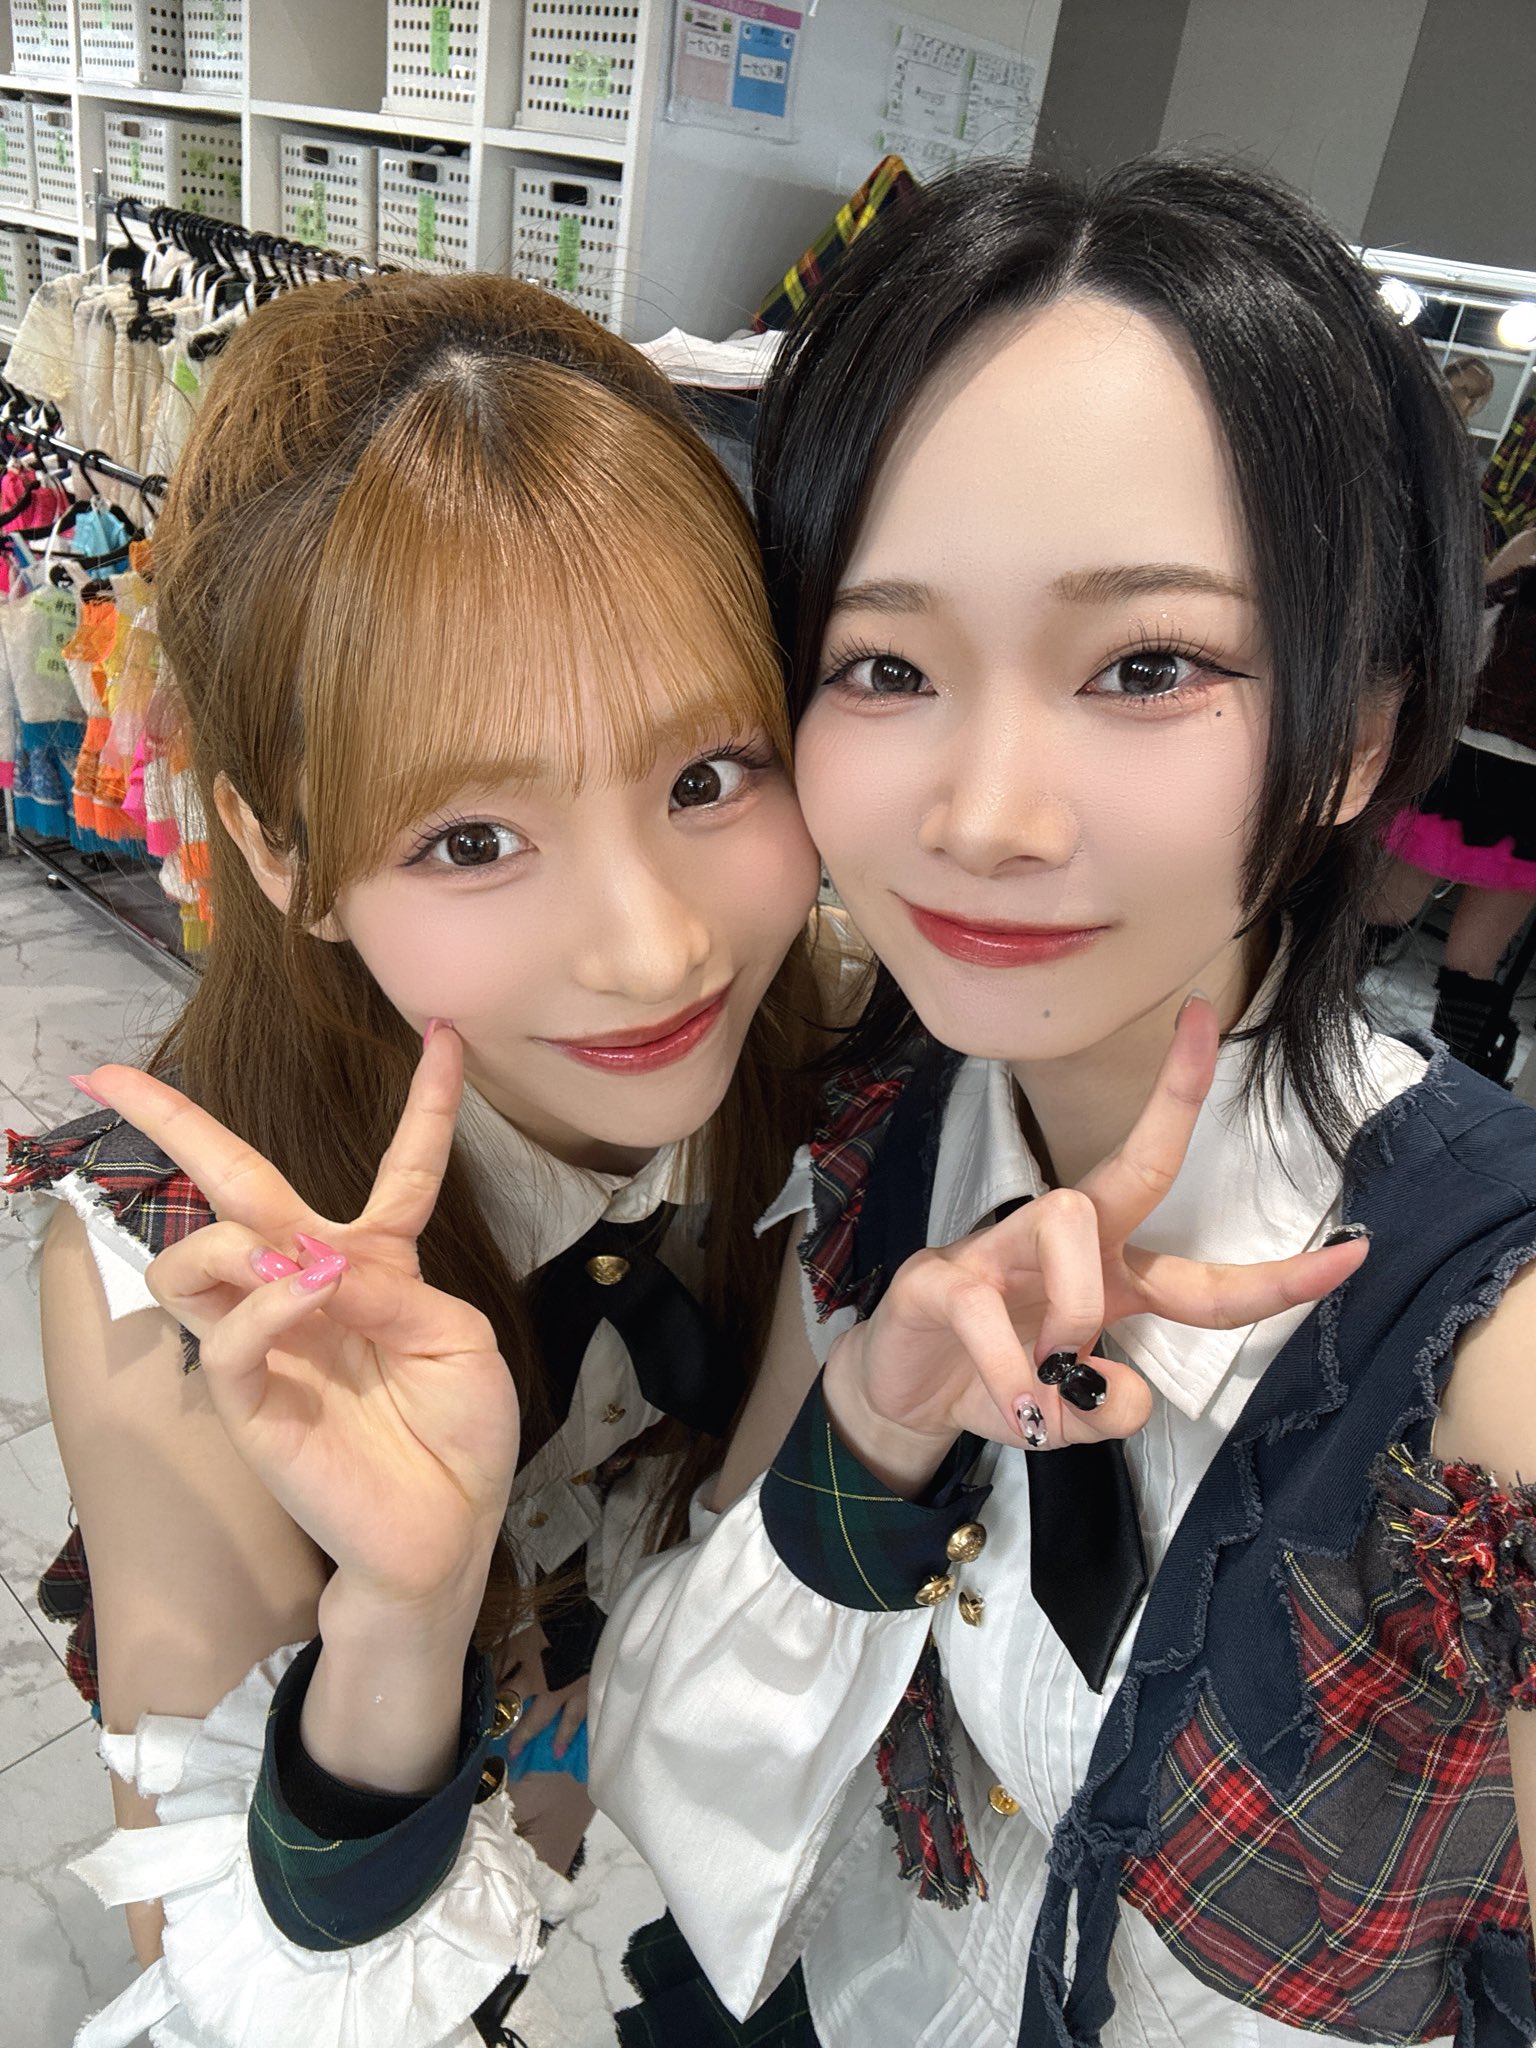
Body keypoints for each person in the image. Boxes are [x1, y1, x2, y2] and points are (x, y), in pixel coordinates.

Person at [589, 158, 1536, 2048]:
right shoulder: (884, 1126)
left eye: (1147, 665)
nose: (987, 816)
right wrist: (874, 1428)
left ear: (1356, 733)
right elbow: (679, 1747)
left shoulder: (1482, 1349)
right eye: (885, 664)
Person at [4, 270, 828, 2046]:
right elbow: (228, 1970)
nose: (656, 950)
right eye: (470, 837)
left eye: (708, 774)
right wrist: (400, 1615)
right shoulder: (174, 1281)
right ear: (278, 849)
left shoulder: (816, 1051)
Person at [1370, 363, 1536, 1076]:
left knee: (1390, 912)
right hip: (1492, 765)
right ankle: (1446, 1085)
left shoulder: (1525, 544)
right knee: (1467, 952)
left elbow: (1468, 623)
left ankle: (1304, 1031)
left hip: (1473, 753)